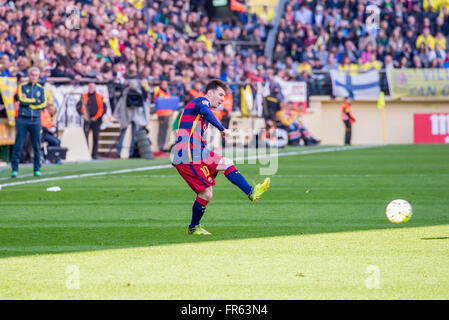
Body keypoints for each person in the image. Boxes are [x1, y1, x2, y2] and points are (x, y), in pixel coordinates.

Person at [172, 79, 271, 236]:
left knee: (220, 172)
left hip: (195, 152)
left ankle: (250, 192)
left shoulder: (199, 110)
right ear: (210, 93)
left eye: (224, 96)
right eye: (220, 95)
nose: (222, 99)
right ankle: (194, 227)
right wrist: (222, 129)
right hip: (188, 153)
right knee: (208, 190)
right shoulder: (202, 101)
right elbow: (205, 111)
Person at [11, 67, 47, 178]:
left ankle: (36, 169)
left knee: (36, 145)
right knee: (18, 145)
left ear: (38, 76)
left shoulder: (41, 89)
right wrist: (35, 101)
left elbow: (43, 104)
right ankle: (14, 169)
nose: (34, 77)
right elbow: (21, 99)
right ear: (28, 75)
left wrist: (30, 103)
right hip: (22, 118)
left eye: (36, 75)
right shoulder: (22, 87)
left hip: (36, 119)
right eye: (32, 74)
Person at [77, 83, 105, 159]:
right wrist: (83, 115)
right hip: (87, 119)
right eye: (89, 87)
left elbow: (103, 108)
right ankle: (85, 153)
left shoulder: (100, 96)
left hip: (96, 120)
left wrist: (97, 117)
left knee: (96, 137)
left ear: (95, 87)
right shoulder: (83, 96)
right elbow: (78, 106)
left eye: (92, 87)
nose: (91, 88)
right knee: (85, 136)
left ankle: (94, 154)